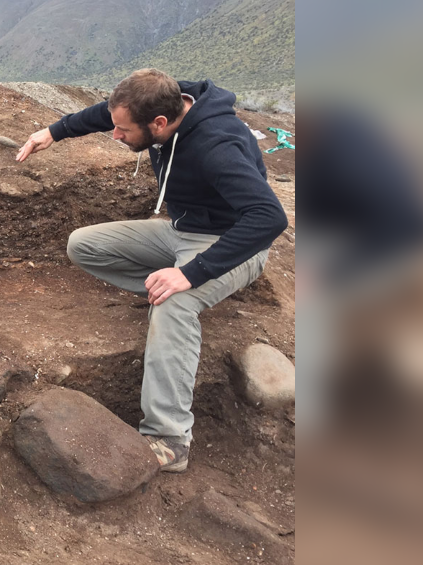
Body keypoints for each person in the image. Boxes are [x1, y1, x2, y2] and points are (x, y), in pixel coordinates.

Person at [16, 69, 288, 472]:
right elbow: (107, 116)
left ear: (159, 123)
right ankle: (167, 287)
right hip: (181, 232)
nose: (115, 136)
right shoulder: (161, 103)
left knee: (174, 304)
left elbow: (269, 217)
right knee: (84, 245)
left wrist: (190, 275)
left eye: (124, 131)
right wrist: (53, 132)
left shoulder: (217, 144)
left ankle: (170, 438)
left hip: (232, 244)